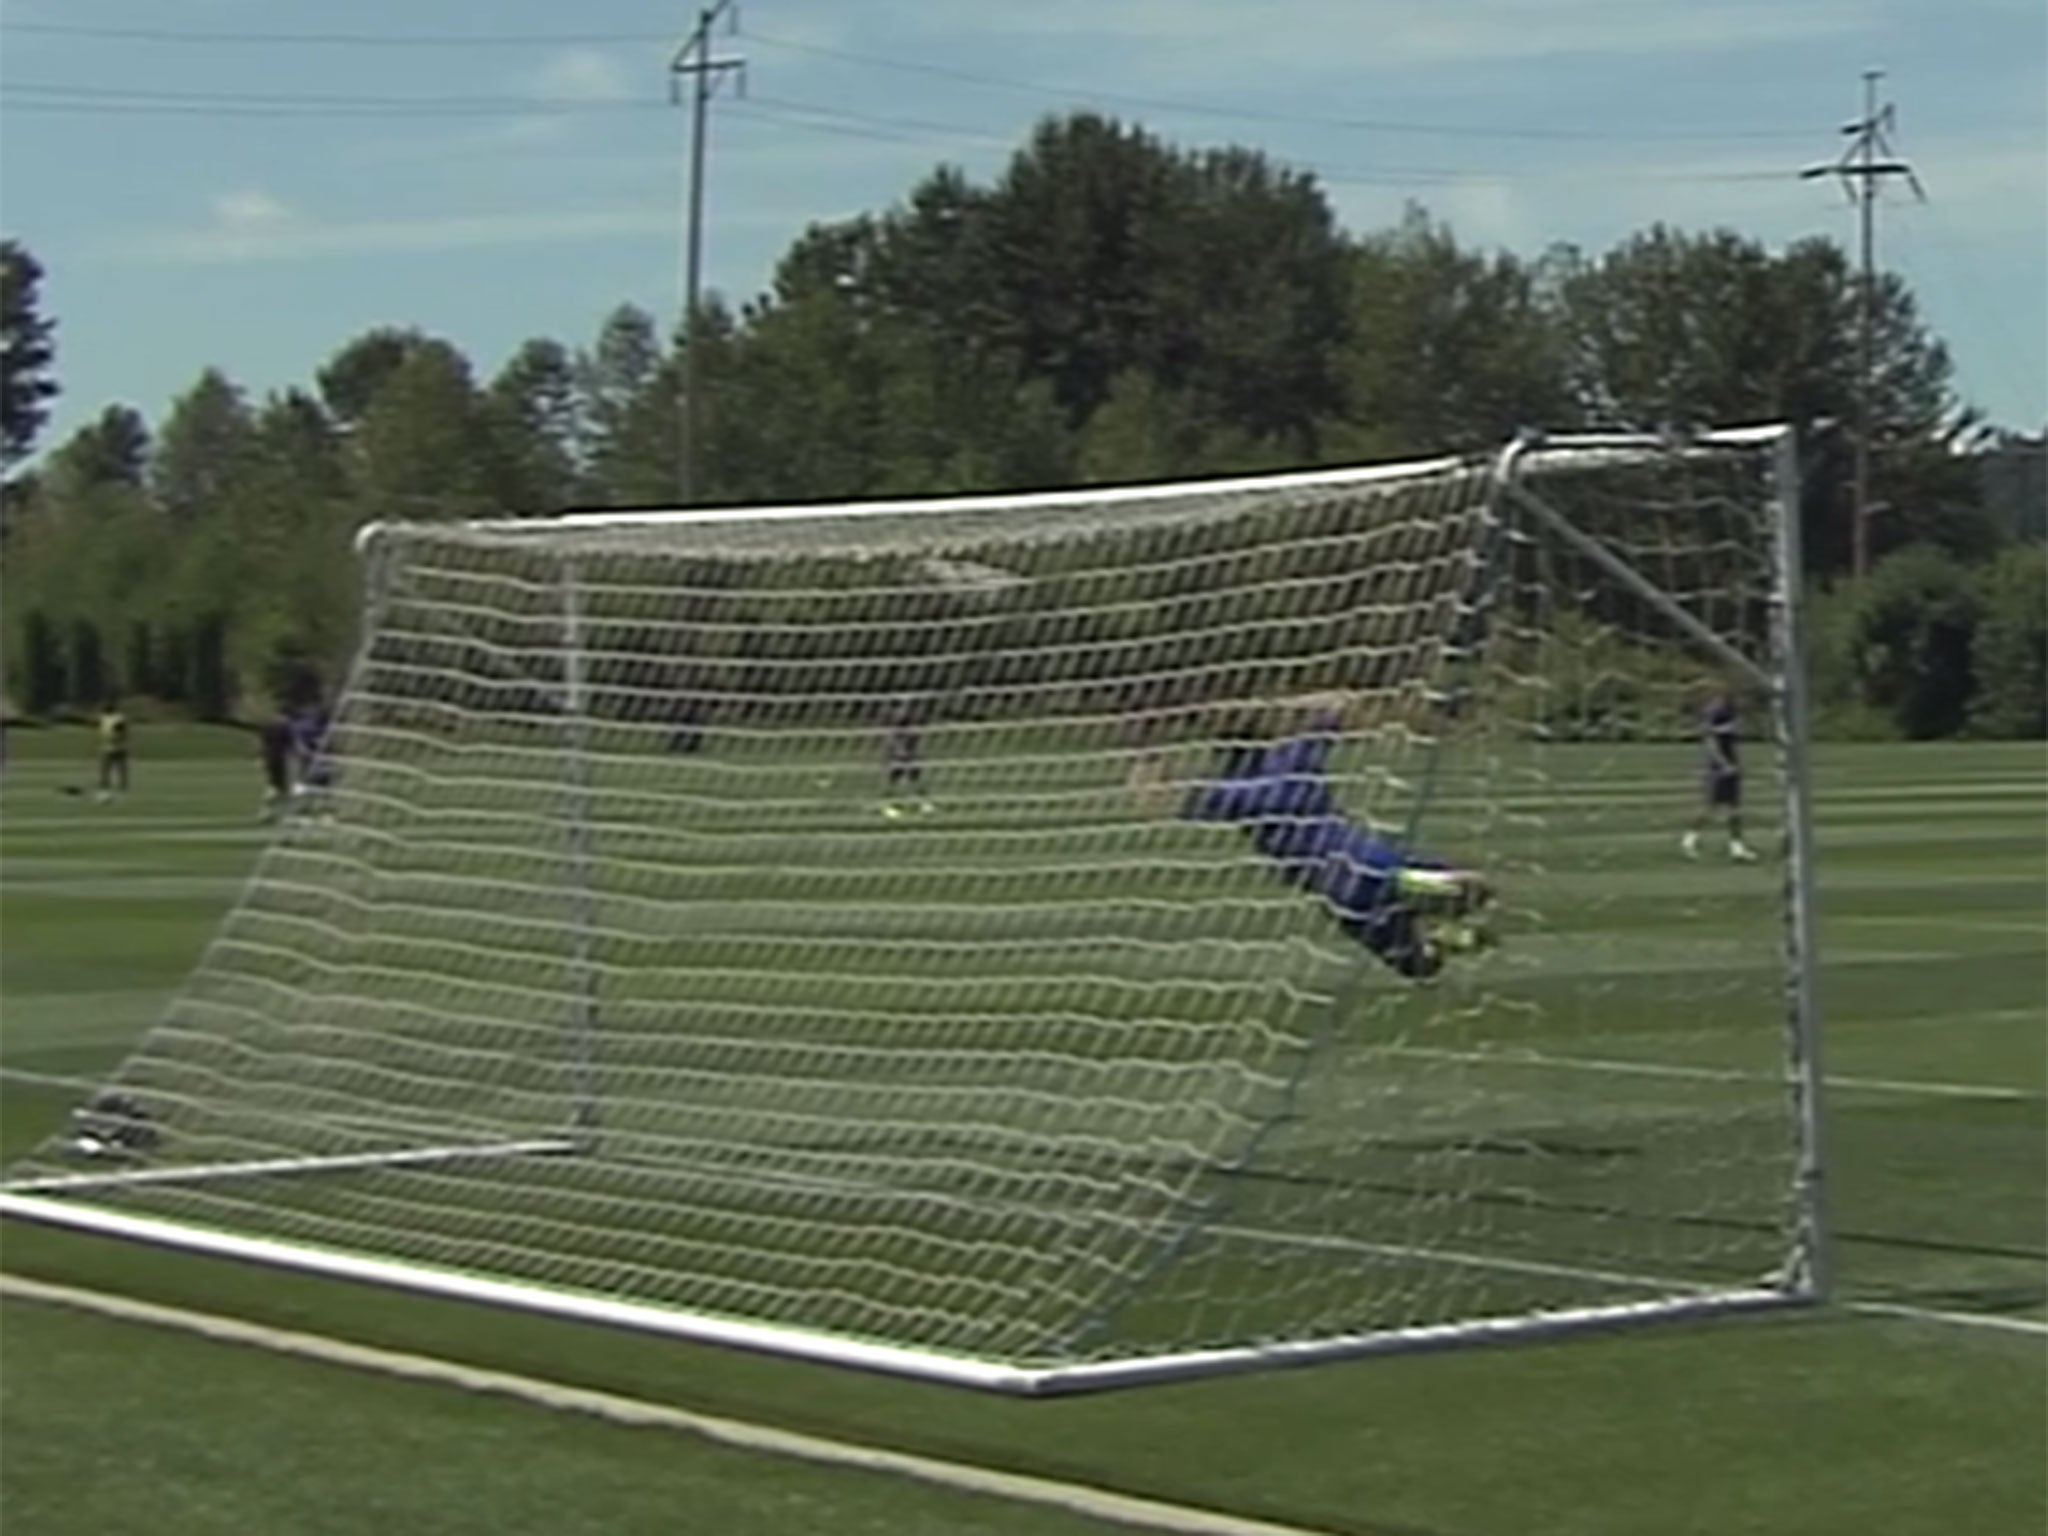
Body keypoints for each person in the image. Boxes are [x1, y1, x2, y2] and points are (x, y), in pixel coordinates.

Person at [1135, 697, 1495, 980]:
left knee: (1418, 968)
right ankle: (1431, 911)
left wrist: (1150, 755)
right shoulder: (1295, 759)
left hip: (1339, 890)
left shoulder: (1235, 794)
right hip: (1371, 853)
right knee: (1472, 896)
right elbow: (1341, 705)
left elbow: (1155, 802)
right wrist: (1276, 708)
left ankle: (1418, 901)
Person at [1682, 686, 1758, 863]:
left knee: (1734, 807)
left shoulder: (1733, 713)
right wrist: (1723, 764)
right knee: (1711, 806)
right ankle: (1690, 839)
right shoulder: (1717, 713)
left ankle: (1736, 847)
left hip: (1731, 765)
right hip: (1718, 768)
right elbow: (1710, 742)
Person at [880, 705, 934, 819]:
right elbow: (892, 743)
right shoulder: (895, 730)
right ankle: (889, 805)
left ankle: (924, 803)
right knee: (893, 782)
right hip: (898, 758)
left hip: (909, 757)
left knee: (915, 780)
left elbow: (915, 741)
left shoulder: (911, 729)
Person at [258, 711, 296, 820]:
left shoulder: (267, 727)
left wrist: (260, 758)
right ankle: (270, 812)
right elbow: (292, 744)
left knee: (275, 786)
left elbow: (261, 743)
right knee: (279, 788)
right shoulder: (284, 727)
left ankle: (270, 812)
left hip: (269, 758)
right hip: (280, 759)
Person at [94, 700, 130, 805]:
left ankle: (122, 792)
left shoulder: (118, 718)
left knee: (120, 770)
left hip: (118, 748)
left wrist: (115, 739)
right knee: (105, 771)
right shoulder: (104, 718)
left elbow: (121, 732)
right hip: (107, 748)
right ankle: (104, 792)